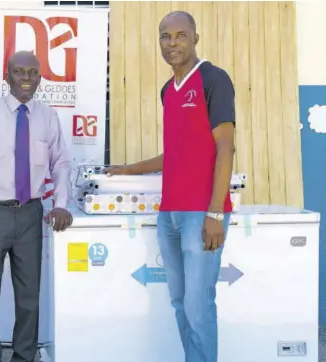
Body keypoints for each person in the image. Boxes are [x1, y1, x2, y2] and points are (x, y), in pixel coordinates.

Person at [105, 11, 236, 362]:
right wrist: (129, 169)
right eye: (166, 36)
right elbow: (176, 153)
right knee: (180, 303)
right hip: (170, 215)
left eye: (180, 35)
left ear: (196, 38)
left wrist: (214, 213)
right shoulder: (168, 90)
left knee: (198, 304)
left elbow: (226, 146)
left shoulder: (213, 79)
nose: (173, 42)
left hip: (201, 215)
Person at [0, 51, 73, 362]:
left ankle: (23, 356)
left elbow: (60, 162)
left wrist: (60, 203)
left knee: (29, 295)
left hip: (31, 213)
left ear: (39, 78)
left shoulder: (48, 116)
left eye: (32, 72)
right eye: (19, 71)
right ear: (7, 75)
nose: (26, 78)